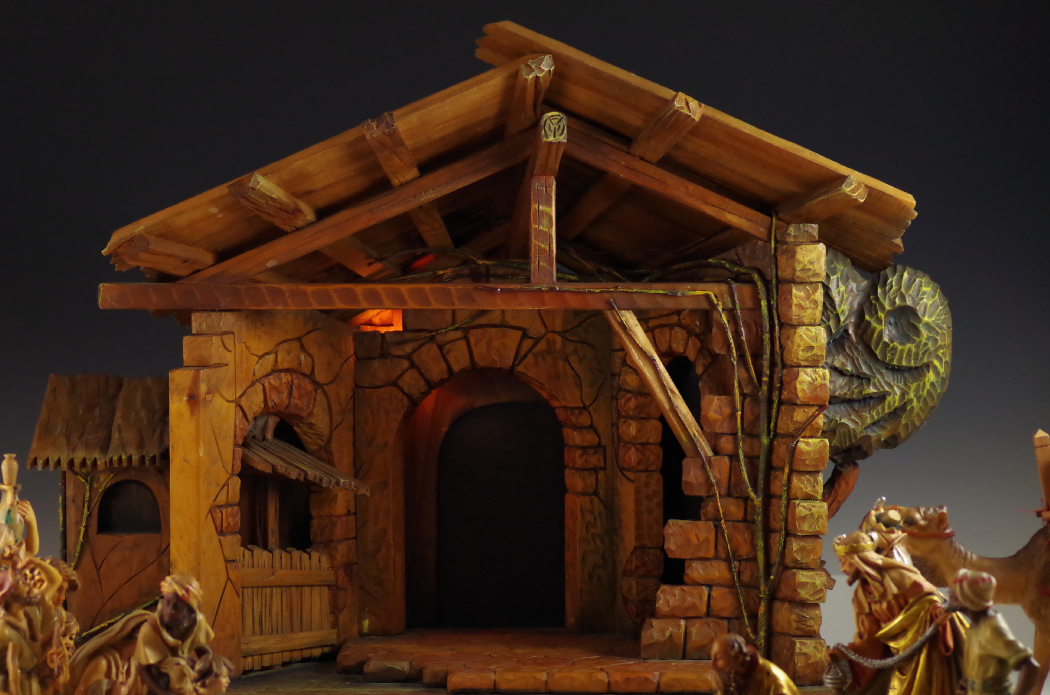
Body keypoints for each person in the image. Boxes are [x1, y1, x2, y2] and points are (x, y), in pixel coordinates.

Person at [827, 531, 966, 695]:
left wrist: (935, 611)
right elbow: (871, 637)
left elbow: (929, 597)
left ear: (860, 559)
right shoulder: (862, 594)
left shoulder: (899, 575)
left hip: (927, 647)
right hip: (898, 653)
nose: (842, 568)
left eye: (844, 561)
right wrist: (846, 652)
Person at [67, 575, 229, 695]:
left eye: (177, 606)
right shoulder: (105, 663)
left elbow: (203, 652)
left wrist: (209, 672)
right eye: (167, 604)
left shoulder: (136, 667)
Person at [949, 569, 1039, 695]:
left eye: (955, 594)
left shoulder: (992, 631)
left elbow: (1030, 667)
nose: (949, 596)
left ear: (968, 598)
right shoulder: (975, 627)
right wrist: (968, 685)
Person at [711, 633, 798, 695]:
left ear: (737, 658)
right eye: (712, 657)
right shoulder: (734, 677)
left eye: (719, 658)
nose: (713, 665)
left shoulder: (772, 683)